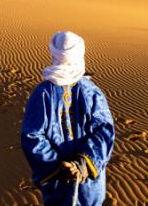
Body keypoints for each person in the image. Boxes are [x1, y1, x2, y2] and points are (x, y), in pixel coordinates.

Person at [21, 31, 115, 206]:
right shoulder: (91, 91)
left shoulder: (43, 93)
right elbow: (104, 133)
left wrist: (82, 164)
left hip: (71, 183)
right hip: (63, 182)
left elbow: (32, 136)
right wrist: (63, 167)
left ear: (53, 55)